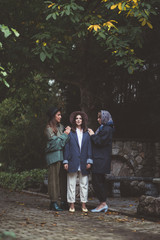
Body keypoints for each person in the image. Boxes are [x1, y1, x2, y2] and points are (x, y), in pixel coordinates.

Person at [63, 111, 93, 213]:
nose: (78, 120)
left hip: (84, 161)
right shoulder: (70, 133)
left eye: (80, 118)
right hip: (72, 160)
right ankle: (71, 204)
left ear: (83, 120)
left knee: (84, 183)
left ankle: (83, 204)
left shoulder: (87, 133)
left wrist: (89, 160)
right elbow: (67, 147)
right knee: (71, 183)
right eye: (76, 118)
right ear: (74, 120)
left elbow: (89, 147)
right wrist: (65, 161)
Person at [45, 107, 71, 211]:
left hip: (63, 158)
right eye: (58, 115)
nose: (60, 116)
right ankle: (54, 202)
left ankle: (64, 201)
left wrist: (63, 137)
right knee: (53, 181)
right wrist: (65, 135)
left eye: (60, 115)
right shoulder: (47, 129)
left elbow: (65, 142)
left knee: (63, 180)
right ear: (53, 116)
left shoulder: (61, 127)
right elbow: (56, 144)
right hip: (53, 158)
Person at [88, 110, 114, 213]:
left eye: (100, 117)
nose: (98, 119)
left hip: (101, 160)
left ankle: (103, 203)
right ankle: (102, 203)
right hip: (100, 159)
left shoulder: (107, 129)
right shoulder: (104, 128)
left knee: (97, 181)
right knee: (98, 181)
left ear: (104, 118)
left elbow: (99, 142)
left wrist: (92, 135)